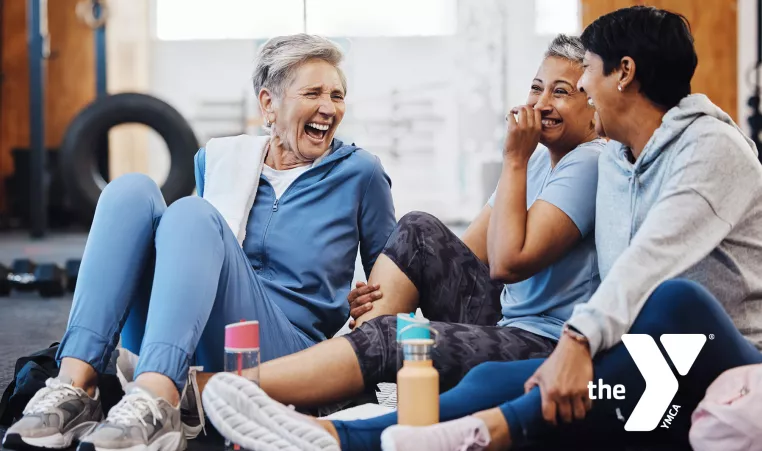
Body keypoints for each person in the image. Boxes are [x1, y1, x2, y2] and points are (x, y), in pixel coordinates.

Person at [194, 7, 762, 451]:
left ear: (624, 75)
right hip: (630, 344)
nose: (571, 92)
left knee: (661, 307)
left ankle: (289, 398)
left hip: (689, 347)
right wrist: (409, 297)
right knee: (464, 342)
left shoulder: (703, 149)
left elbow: (636, 264)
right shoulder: (620, 157)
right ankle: (347, 420)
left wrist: (578, 340)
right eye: (544, 86)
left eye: (580, 79)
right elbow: (467, 259)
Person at [197, 33, 604, 443]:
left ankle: (216, 389)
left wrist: (513, 158)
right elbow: (465, 256)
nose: (542, 104)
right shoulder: (535, 161)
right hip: (506, 318)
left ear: (592, 108)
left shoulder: (587, 161)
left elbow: (507, 262)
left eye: (563, 92)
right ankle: (351, 369)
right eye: (537, 88)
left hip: (547, 338)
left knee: (392, 337)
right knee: (418, 229)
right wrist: (379, 294)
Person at [2, 34, 396, 451]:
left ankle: (157, 398)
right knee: (130, 190)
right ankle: (74, 386)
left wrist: (370, 309)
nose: (329, 107)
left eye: (337, 95)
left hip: (287, 353)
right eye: (313, 92)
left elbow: (396, 279)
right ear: (268, 103)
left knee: (191, 213)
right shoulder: (219, 161)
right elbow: (207, 259)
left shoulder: (361, 174)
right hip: (191, 333)